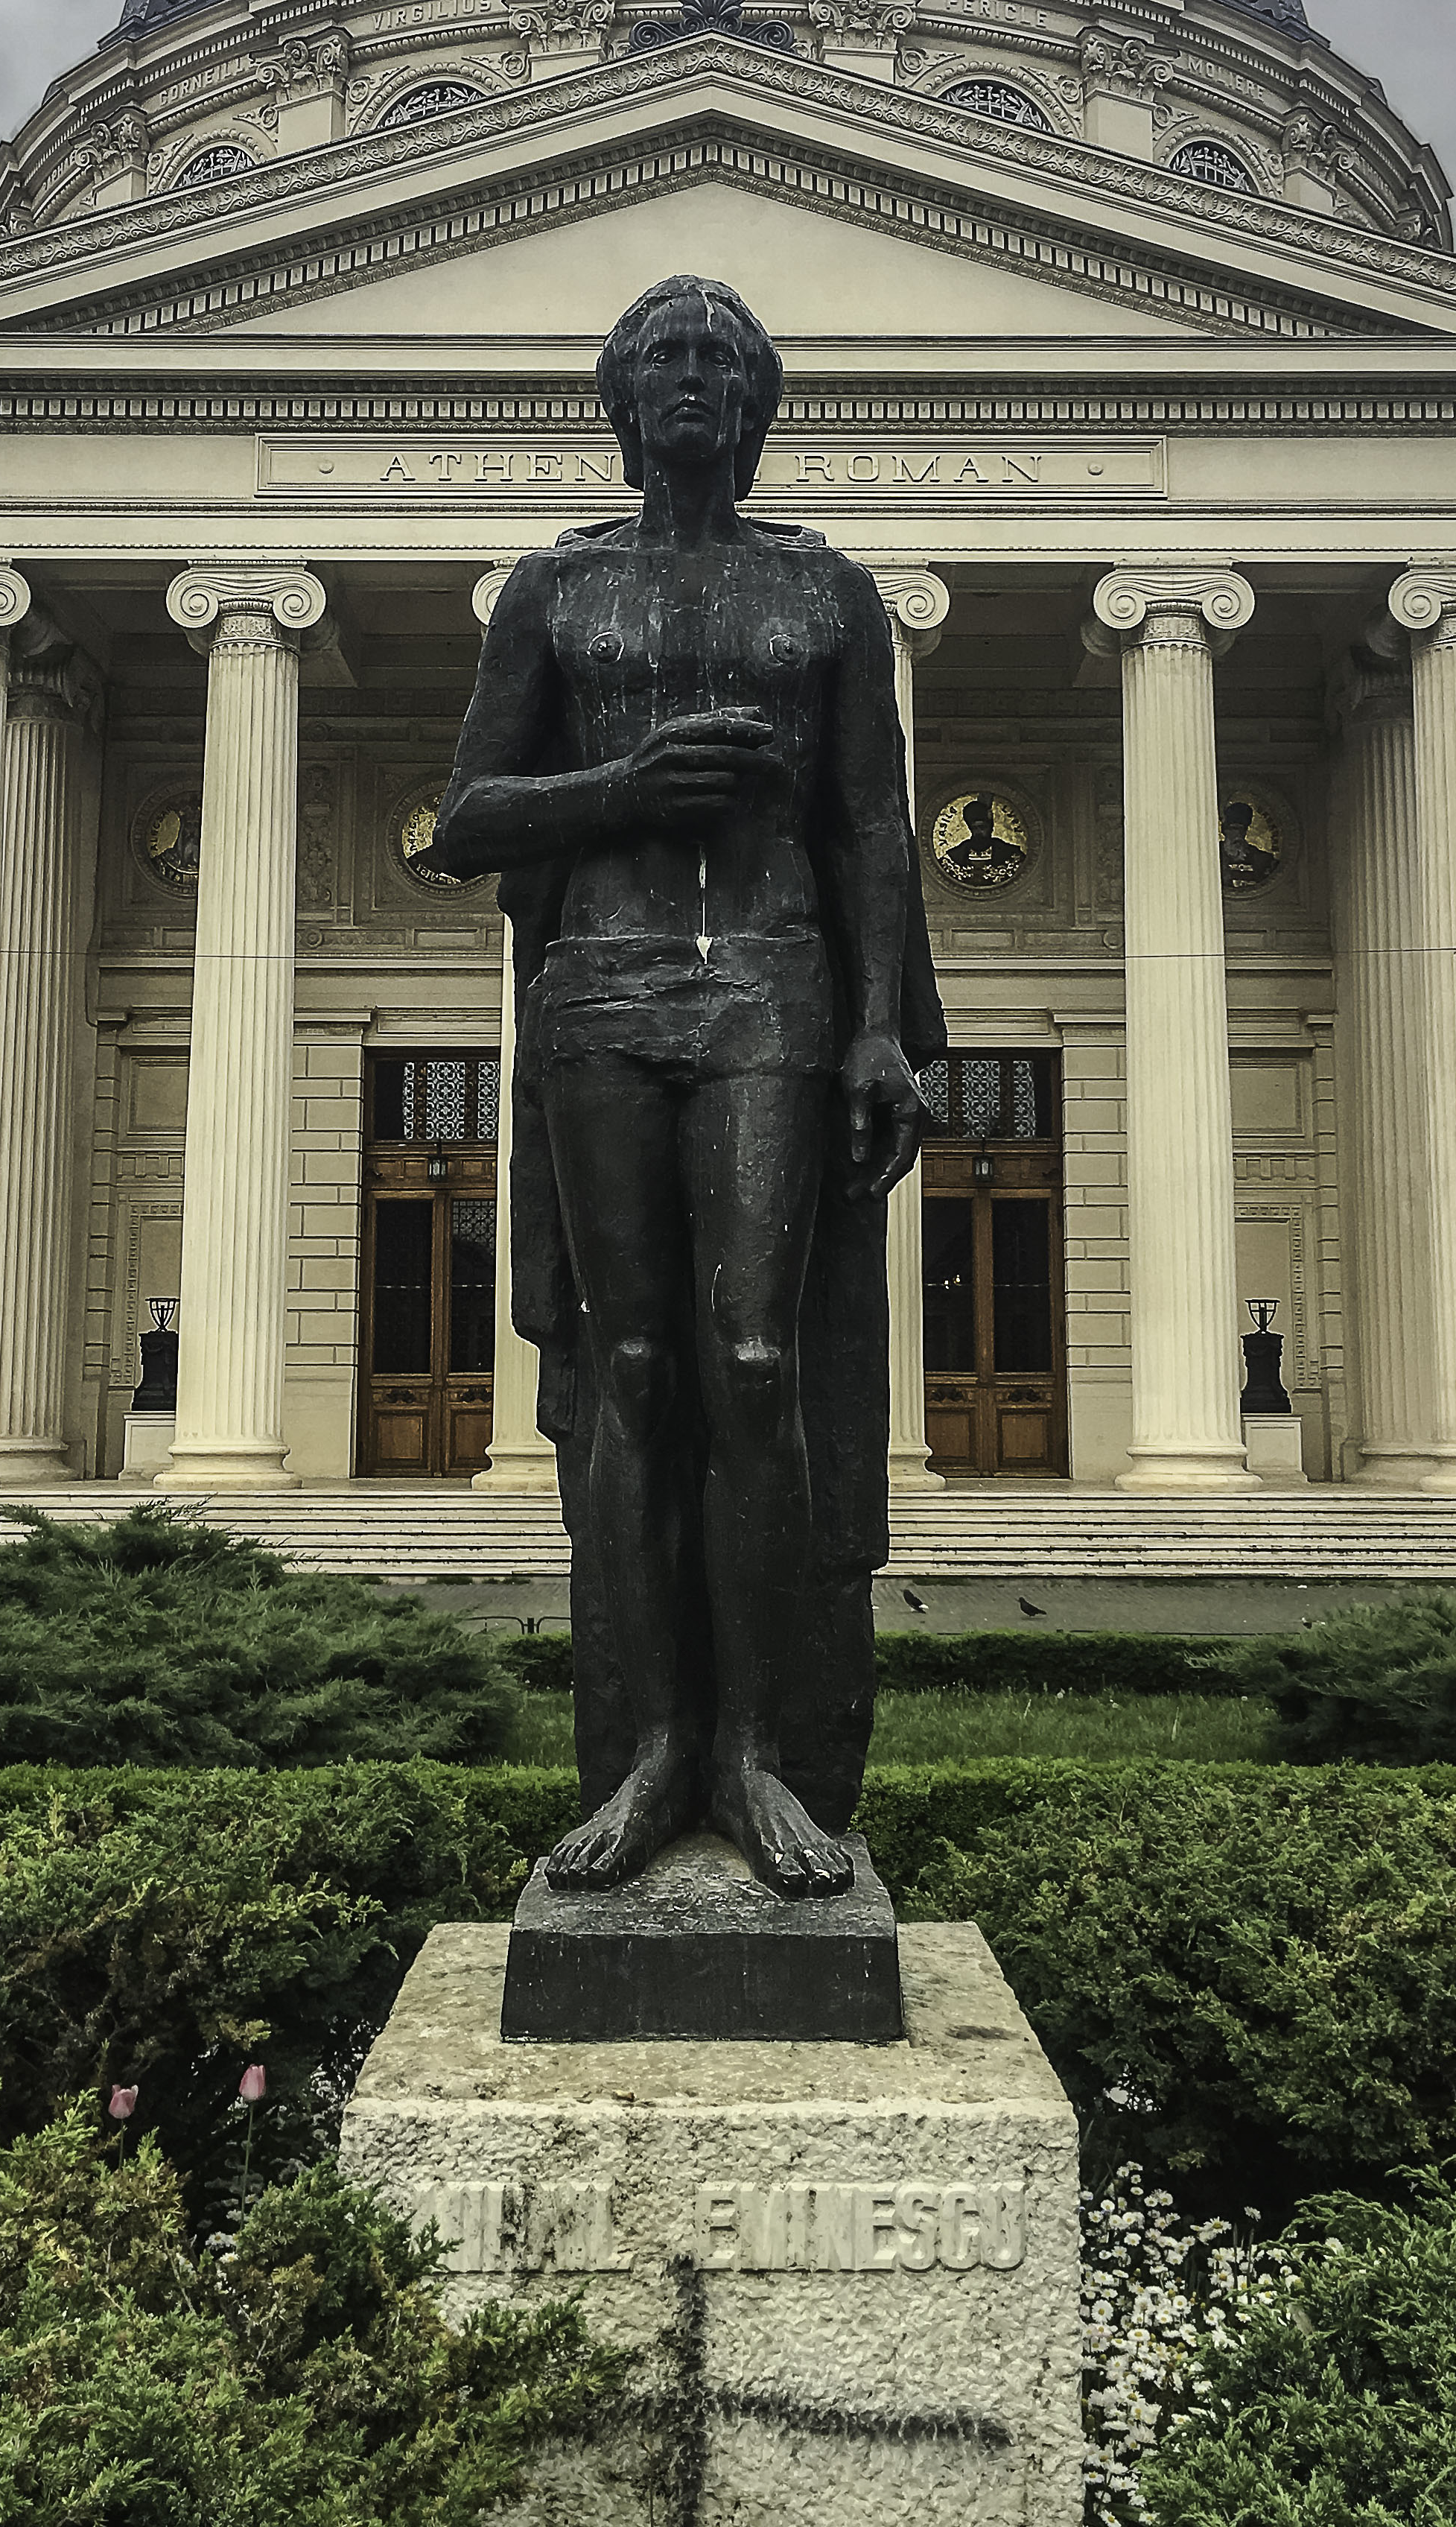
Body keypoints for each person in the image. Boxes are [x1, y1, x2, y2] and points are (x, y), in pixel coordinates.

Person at [435, 276, 941, 1896]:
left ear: (760, 398)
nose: (695, 377)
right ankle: (653, 1750)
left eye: (724, 358)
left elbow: (873, 821)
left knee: (753, 1353)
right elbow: (468, 821)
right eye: (666, 356)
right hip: (604, 987)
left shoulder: (827, 592)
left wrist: (885, 1031)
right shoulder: (557, 593)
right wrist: (622, 785)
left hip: (773, 989)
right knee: (635, 1360)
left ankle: (761, 1754)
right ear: (623, 395)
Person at [942, 793, 1024, 887]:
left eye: (983, 827)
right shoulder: (954, 857)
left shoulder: (1010, 854)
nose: (979, 831)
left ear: (991, 827)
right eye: (975, 828)